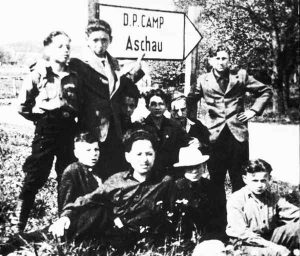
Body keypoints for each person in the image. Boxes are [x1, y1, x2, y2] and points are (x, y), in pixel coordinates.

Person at [186, 44, 273, 226]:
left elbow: (265, 91)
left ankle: (242, 222)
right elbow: (190, 99)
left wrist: (253, 111)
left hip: (237, 137)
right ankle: (219, 223)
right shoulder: (203, 80)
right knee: (216, 181)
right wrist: (193, 122)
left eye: (224, 58)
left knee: (239, 180)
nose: (221, 62)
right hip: (213, 137)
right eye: (217, 58)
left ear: (229, 60)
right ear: (210, 60)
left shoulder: (240, 76)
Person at [49, 128, 173, 251]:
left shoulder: (164, 182)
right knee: (93, 214)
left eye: (149, 154)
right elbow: (90, 198)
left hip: (135, 238)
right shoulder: (117, 179)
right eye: (139, 154)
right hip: (105, 230)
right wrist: (66, 216)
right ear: (128, 157)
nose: (144, 159)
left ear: (155, 155)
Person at [17, 31, 80, 232]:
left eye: (68, 46)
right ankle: (17, 226)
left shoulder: (75, 76)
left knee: (66, 174)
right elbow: (22, 106)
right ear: (48, 49)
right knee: (36, 174)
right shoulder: (38, 74)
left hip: (69, 128)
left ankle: (64, 224)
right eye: (60, 46)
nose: (66, 50)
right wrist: (41, 120)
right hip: (46, 128)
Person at [69, 19, 144, 176]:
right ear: (87, 41)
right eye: (95, 40)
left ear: (111, 40)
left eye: (104, 40)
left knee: (114, 172)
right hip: (91, 127)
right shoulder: (79, 64)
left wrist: (136, 71)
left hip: (115, 128)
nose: (100, 44)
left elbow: (117, 88)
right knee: (93, 174)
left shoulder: (113, 62)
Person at [226, 159, 300, 256]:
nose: (259, 185)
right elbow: (242, 233)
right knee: (277, 252)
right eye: (255, 180)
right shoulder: (236, 199)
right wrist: (273, 247)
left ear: (269, 179)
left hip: (268, 237)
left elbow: (295, 213)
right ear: (245, 179)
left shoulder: (272, 197)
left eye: (263, 180)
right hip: (244, 243)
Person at [171, 146, 224, 246]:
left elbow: (219, 216)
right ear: (183, 169)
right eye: (190, 168)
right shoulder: (175, 189)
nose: (195, 171)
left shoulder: (212, 187)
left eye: (197, 166)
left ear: (203, 166)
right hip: (183, 239)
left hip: (209, 236)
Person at [144, 89, 188, 177]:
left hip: (171, 174)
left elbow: (184, 146)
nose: (157, 107)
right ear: (147, 106)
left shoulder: (175, 127)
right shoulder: (142, 126)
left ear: (166, 106)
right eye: (153, 104)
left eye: (161, 104)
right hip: (149, 174)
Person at [58, 131, 102, 214]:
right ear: (77, 153)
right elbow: (66, 206)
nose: (94, 154)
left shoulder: (99, 170)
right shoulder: (73, 171)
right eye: (88, 150)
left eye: (96, 149)